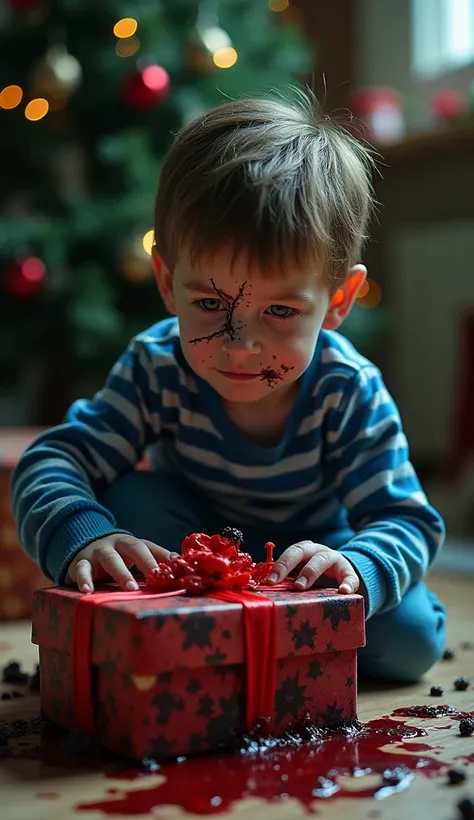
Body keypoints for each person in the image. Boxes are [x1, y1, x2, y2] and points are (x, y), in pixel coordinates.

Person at [11, 89, 446, 681]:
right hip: (190, 545)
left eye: (282, 313)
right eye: (212, 303)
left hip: (312, 559)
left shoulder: (347, 388)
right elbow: (53, 459)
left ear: (338, 301)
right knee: (130, 502)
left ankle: (254, 639)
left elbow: (409, 520)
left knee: (412, 640)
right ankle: (224, 635)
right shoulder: (156, 364)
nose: (241, 345)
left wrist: (356, 566)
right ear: (167, 283)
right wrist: (83, 537)